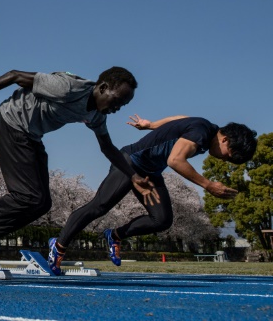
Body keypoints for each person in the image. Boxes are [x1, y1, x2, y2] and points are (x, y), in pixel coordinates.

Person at [0, 67, 149, 263]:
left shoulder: (96, 115)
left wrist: (132, 175)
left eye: (123, 105)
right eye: (117, 101)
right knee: (27, 195)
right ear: (103, 88)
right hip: (10, 122)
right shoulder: (67, 87)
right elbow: (14, 76)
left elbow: (107, 147)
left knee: (42, 203)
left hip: (31, 136)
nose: (117, 108)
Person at [46, 114, 257, 275]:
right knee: (100, 205)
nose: (224, 160)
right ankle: (60, 245)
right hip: (131, 162)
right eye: (228, 157)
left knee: (162, 219)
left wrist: (151, 125)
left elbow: (180, 119)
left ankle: (115, 235)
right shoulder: (201, 133)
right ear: (226, 139)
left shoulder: (206, 127)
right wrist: (208, 185)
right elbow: (175, 160)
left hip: (150, 172)